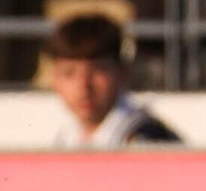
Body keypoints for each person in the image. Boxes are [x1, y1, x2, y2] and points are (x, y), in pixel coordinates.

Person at [47, 13, 181, 146]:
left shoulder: (147, 139)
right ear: (55, 78)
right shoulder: (66, 138)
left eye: (97, 70)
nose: (83, 85)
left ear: (122, 72)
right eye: (69, 73)